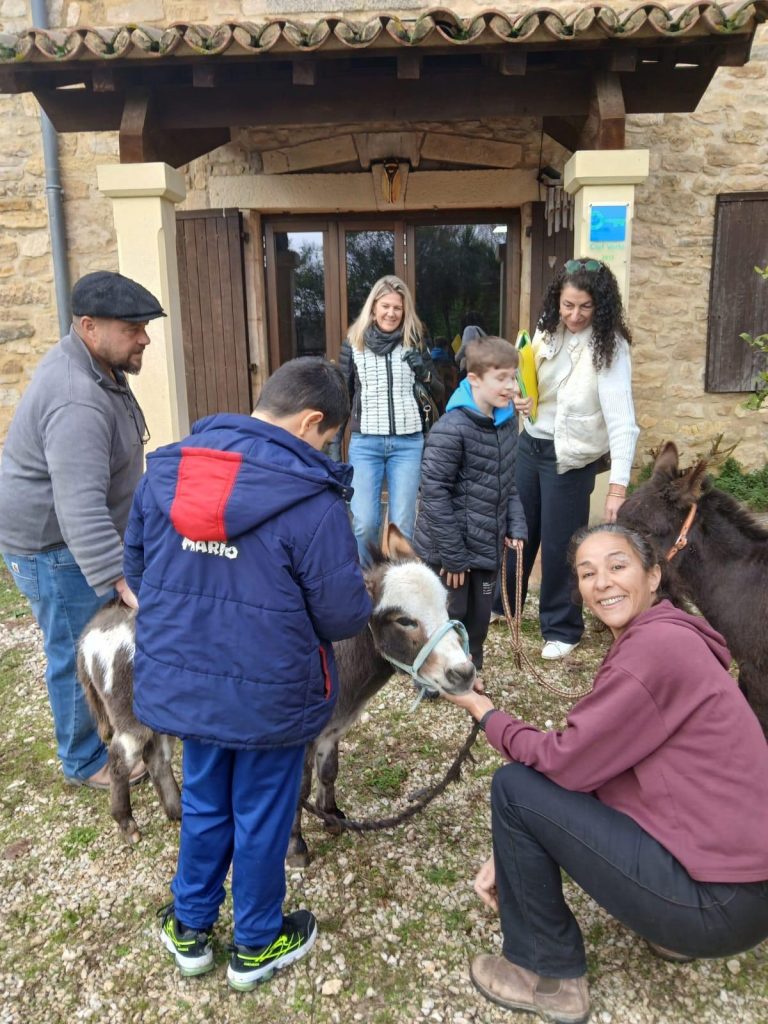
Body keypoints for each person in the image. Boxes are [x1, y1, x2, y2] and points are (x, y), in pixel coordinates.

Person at [446, 523, 768, 1024]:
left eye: (618, 566)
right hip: (744, 889)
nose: (602, 583)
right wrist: (508, 855)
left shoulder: (652, 653)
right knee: (547, 791)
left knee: (515, 787)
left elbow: (565, 760)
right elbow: (598, 766)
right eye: (587, 573)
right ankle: (672, 934)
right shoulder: (671, 635)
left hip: (719, 905)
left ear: (654, 574)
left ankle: (544, 974)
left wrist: (485, 713)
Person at [123, 357, 372, 990]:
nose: (324, 449)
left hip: (190, 683)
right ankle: (257, 941)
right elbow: (343, 614)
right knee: (262, 811)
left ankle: (189, 927)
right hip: (272, 692)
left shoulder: (168, 473)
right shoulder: (313, 501)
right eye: (327, 437)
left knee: (207, 800)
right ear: (313, 421)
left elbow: (141, 571)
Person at [0, 270, 164, 788]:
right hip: (52, 547)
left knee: (87, 644)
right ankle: (83, 759)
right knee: (76, 650)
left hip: (68, 538)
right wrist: (120, 580)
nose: (145, 338)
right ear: (90, 327)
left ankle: (100, 737)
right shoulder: (76, 398)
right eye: (133, 328)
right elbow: (79, 507)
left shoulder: (100, 368)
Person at [495, 257, 639, 660]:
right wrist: (521, 396)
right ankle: (502, 604)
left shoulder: (610, 347)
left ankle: (561, 628)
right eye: (568, 305)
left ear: (601, 306)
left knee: (561, 546)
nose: (574, 315)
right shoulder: (547, 330)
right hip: (531, 445)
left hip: (571, 459)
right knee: (516, 532)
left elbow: (624, 423)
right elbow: (528, 380)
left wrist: (617, 486)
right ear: (557, 301)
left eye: (585, 307)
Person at [413, 336, 527, 683]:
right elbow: (433, 493)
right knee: (450, 613)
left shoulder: (507, 424)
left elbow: (507, 482)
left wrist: (516, 525)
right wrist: (453, 555)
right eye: (501, 378)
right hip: (449, 551)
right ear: (474, 379)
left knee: (478, 617)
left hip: (486, 547)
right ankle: (433, 675)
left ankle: (469, 670)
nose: (510, 386)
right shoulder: (451, 429)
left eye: (513, 377)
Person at [330, 275, 441, 564]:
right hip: (365, 443)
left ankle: (397, 590)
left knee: (402, 526)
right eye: (385, 306)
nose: (391, 313)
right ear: (374, 307)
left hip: (408, 444)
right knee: (365, 523)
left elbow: (439, 390)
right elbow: (342, 396)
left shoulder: (415, 341)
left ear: (405, 311)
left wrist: (425, 372)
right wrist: (333, 443)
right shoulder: (353, 344)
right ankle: (366, 589)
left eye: (397, 308)